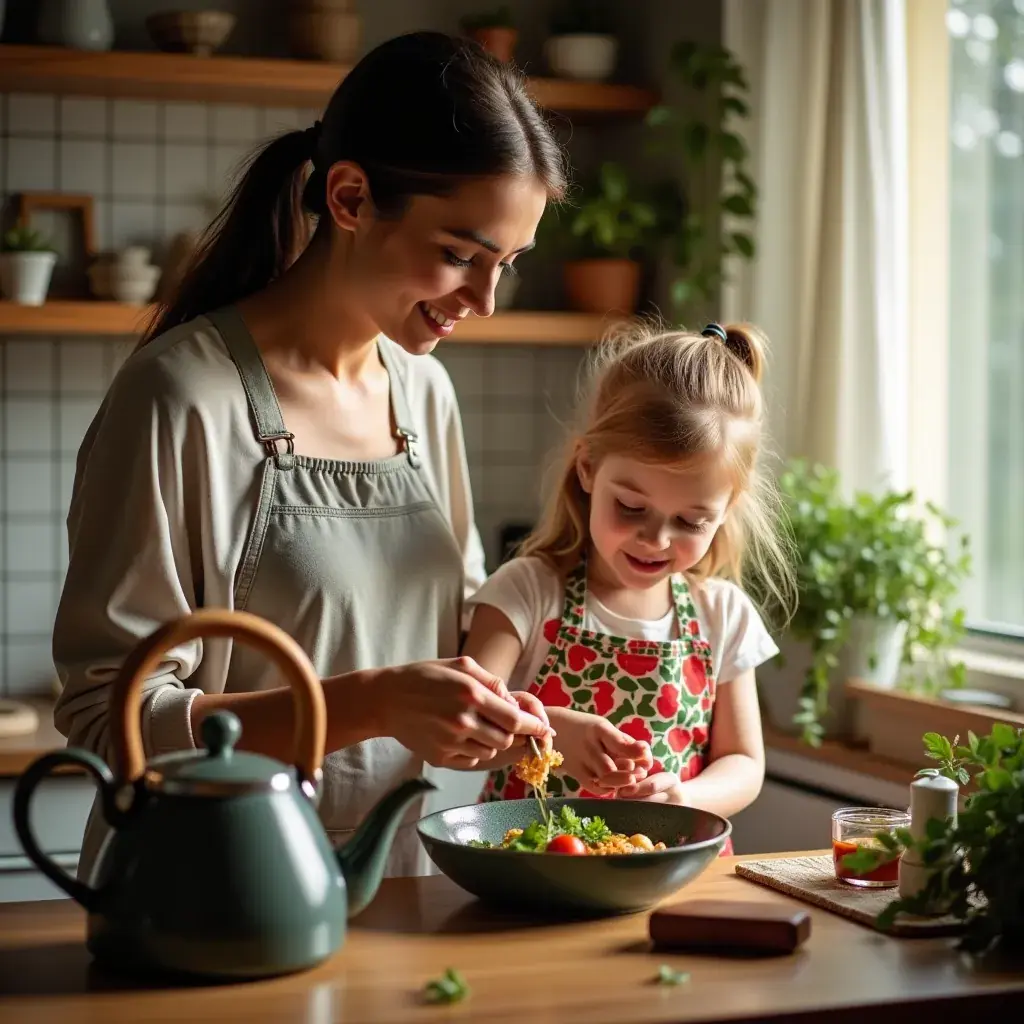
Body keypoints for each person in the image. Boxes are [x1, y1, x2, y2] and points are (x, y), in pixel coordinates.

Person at [52, 31, 564, 880]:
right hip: (215, 886)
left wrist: (509, 718)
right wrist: (372, 704)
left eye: (507, 264)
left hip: (407, 880)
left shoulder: (425, 394)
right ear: (352, 197)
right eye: (458, 256)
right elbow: (115, 716)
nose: (485, 300)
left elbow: (447, 635)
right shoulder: (180, 397)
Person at [461, 321, 796, 852]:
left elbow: (744, 763)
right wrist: (550, 734)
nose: (655, 539)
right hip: (534, 874)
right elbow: (462, 726)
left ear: (726, 509)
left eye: (690, 522)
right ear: (588, 467)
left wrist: (685, 798)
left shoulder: (722, 614)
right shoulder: (526, 593)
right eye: (632, 507)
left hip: (676, 875)